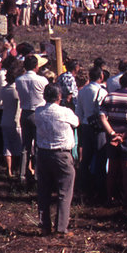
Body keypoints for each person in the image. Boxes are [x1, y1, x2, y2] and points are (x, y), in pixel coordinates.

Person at [33, 84, 79, 235]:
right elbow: (76, 122)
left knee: (44, 191)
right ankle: (61, 227)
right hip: (62, 154)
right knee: (64, 192)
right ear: (59, 97)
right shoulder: (65, 112)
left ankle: (45, 225)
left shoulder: (38, 111)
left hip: (44, 154)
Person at [99, 71, 127, 207]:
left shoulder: (109, 97)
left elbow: (102, 117)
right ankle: (126, 199)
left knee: (112, 169)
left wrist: (112, 134)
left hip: (111, 137)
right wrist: (123, 136)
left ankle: (109, 197)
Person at [14, 53, 48, 183]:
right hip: (38, 112)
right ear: (36, 66)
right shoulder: (42, 80)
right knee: (38, 146)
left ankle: (22, 175)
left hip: (25, 112)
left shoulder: (19, 80)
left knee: (25, 146)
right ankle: (38, 176)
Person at [75, 65, 107, 203]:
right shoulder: (102, 92)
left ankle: (83, 186)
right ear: (101, 77)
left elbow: (78, 112)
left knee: (86, 158)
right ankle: (100, 188)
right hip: (99, 128)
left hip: (86, 126)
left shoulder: (82, 91)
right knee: (100, 157)